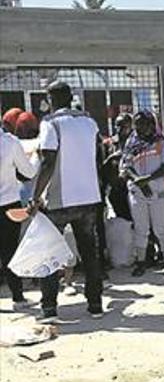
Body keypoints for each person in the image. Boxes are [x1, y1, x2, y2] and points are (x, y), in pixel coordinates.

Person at [28, 81, 105, 322]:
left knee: (49, 253)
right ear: (70, 97)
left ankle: (49, 308)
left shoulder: (51, 124)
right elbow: (97, 156)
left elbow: (48, 161)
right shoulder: (89, 123)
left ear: (51, 99)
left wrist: (35, 196)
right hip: (89, 198)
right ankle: (95, 304)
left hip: (60, 200)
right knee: (89, 254)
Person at [120, 111, 164, 277]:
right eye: (136, 123)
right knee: (141, 229)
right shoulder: (131, 143)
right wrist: (139, 180)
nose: (139, 127)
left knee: (161, 229)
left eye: (143, 123)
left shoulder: (162, 144)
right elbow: (126, 166)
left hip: (159, 193)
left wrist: (147, 179)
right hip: (138, 192)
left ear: (152, 125)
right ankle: (141, 262)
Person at [0, 123, 38, 310]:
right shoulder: (10, 143)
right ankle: (17, 297)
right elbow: (29, 172)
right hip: (8, 204)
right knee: (9, 251)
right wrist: (36, 157)